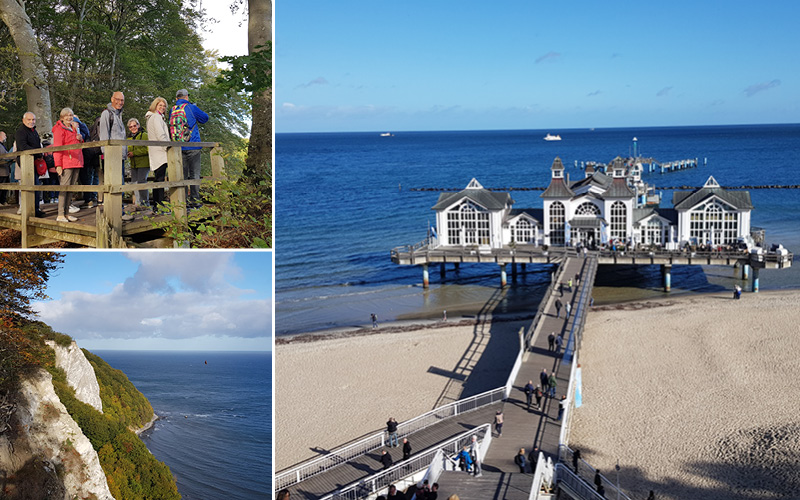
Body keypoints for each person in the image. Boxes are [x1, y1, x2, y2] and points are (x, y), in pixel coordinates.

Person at [170, 88, 208, 207]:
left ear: (177, 99)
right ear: (186, 97)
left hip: (179, 147)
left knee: (183, 175)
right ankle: (195, 201)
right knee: (194, 175)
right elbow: (205, 118)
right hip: (193, 146)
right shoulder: (191, 107)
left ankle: (183, 201)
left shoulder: (173, 109)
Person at [52, 108, 85, 223]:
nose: (69, 117)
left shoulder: (74, 128)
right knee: (64, 188)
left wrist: (81, 139)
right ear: (62, 117)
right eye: (67, 115)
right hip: (66, 161)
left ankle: (66, 213)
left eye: (71, 115)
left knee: (71, 189)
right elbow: (57, 149)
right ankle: (60, 214)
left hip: (76, 161)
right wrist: (58, 165)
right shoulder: (59, 129)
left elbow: (78, 143)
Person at [99, 91, 127, 214]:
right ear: (112, 99)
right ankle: (114, 211)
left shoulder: (119, 115)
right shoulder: (107, 114)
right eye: (117, 99)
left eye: (122, 100)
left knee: (120, 182)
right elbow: (104, 136)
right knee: (114, 182)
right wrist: (107, 154)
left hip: (120, 155)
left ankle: (118, 208)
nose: (120, 102)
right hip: (112, 156)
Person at [15, 112, 47, 218]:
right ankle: (30, 210)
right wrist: (38, 152)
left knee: (36, 185)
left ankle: (36, 208)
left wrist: (40, 154)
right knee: (30, 185)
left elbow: (37, 144)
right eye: (29, 120)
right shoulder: (21, 132)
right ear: (23, 120)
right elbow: (23, 146)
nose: (31, 122)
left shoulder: (34, 131)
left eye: (33, 120)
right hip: (26, 161)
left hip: (35, 161)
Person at [145, 96, 170, 211]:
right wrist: (168, 148)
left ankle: (158, 204)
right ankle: (158, 205)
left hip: (157, 151)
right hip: (160, 152)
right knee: (159, 179)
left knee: (158, 178)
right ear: (155, 105)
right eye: (160, 105)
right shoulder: (156, 117)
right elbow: (161, 135)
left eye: (164, 106)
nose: (163, 107)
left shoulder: (153, 117)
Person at [126, 118, 150, 211]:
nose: (133, 128)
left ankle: (145, 203)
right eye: (130, 126)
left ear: (138, 125)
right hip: (133, 164)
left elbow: (147, 149)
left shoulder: (144, 135)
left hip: (143, 163)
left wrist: (134, 153)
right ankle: (138, 202)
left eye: (134, 126)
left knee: (142, 182)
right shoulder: (129, 138)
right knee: (134, 183)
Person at [0, 131, 11, 205]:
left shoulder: (3, 145)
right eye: (4, 135)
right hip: (1, 170)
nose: (6, 137)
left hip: (6, 169)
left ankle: (3, 200)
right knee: (1, 186)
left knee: (6, 186)